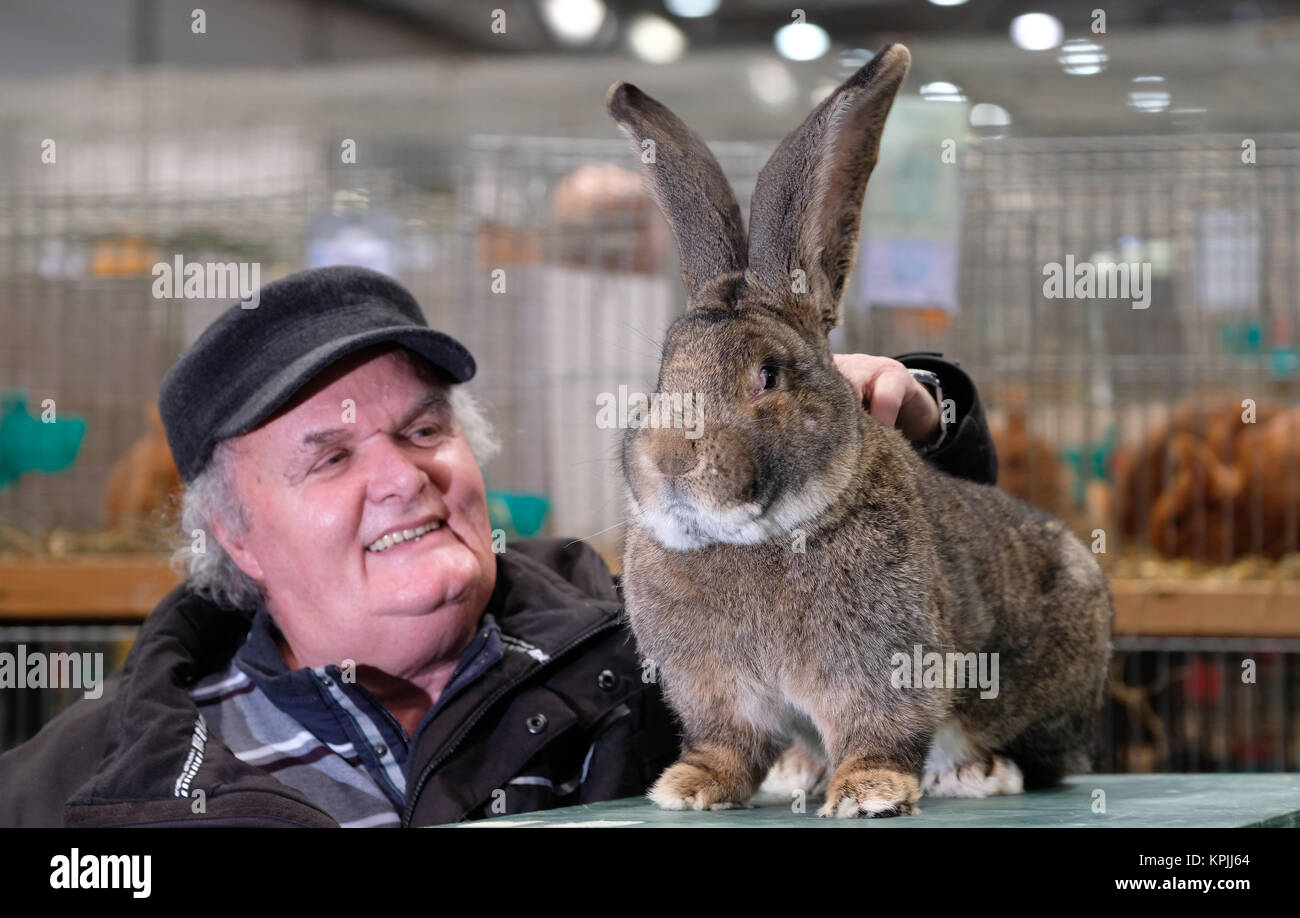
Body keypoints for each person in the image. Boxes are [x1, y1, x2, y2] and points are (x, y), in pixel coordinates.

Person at [0, 266, 997, 827]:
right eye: (332, 456)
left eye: (425, 429)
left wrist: (919, 423)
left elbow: (903, 621)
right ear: (236, 535)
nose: (402, 475)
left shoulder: (647, 653)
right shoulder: (101, 782)